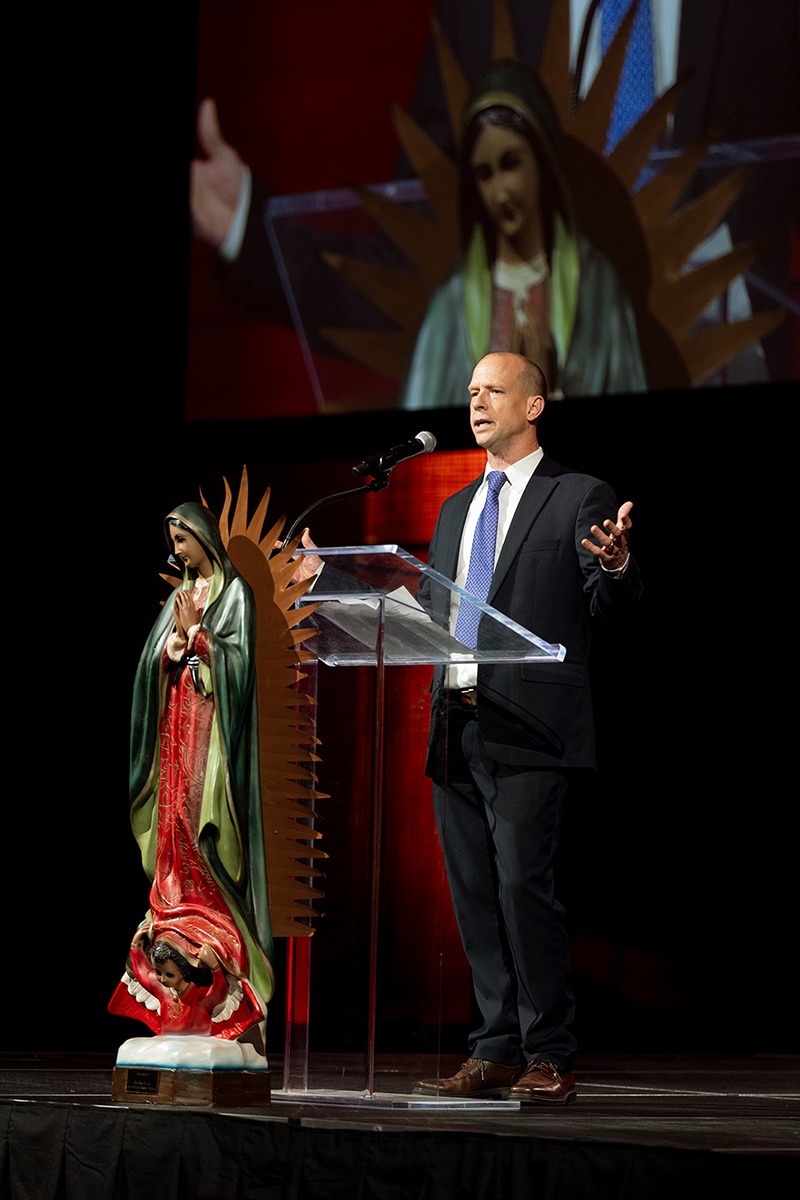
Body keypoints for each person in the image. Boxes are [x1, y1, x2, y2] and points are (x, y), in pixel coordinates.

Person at [411, 351, 642, 1104]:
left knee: (520, 885)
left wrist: (615, 568)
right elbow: (429, 610)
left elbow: (605, 608)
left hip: (531, 726)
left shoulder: (577, 495)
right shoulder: (454, 509)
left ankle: (549, 1051)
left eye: (493, 391)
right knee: (474, 892)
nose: (475, 402)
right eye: (470, 390)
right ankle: (495, 1048)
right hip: (458, 724)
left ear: (535, 405)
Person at [108, 502, 275, 1050]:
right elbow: (150, 663)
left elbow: (238, 667)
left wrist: (200, 637)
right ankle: (175, 935)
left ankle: (222, 955)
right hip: (176, 732)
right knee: (173, 826)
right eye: (173, 542)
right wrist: (170, 648)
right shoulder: (182, 596)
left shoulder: (235, 596)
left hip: (212, 741)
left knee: (204, 834)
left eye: (183, 540)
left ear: (206, 538)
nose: (177, 551)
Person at [400, 57, 647, 407]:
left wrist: (549, 394)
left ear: (542, 160)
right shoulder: (452, 306)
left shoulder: (596, 290)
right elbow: (421, 437)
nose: (500, 194)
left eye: (511, 164)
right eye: (484, 174)